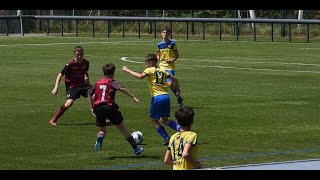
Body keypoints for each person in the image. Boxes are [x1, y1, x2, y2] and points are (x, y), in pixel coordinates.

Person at [122, 53, 181, 146]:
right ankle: (180, 129)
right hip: (166, 96)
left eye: (146, 62)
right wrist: (178, 90)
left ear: (150, 62)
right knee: (164, 120)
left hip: (157, 97)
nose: (145, 64)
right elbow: (175, 79)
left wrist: (127, 70)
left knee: (153, 120)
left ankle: (166, 138)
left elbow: (140, 76)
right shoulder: (163, 71)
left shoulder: (150, 70)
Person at [88, 63, 144, 155]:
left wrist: (92, 107)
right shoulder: (112, 82)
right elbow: (122, 88)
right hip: (109, 107)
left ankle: (100, 137)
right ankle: (136, 148)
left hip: (98, 108)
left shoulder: (98, 82)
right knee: (122, 129)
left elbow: (90, 94)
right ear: (113, 73)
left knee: (102, 130)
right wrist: (132, 96)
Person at [49, 46, 92, 126]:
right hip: (72, 86)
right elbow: (60, 75)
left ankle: (101, 116)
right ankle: (53, 119)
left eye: (81, 54)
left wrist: (88, 82)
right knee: (69, 103)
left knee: (95, 95)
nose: (80, 56)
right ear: (74, 54)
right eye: (78, 54)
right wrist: (56, 87)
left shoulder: (86, 63)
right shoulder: (70, 64)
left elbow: (85, 72)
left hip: (83, 85)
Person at [157, 27, 183, 107]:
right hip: (161, 66)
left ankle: (178, 96)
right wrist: (156, 60)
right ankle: (161, 102)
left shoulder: (172, 44)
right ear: (161, 34)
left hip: (170, 66)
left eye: (167, 32)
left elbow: (177, 55)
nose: (165, 34)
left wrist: (172, 60)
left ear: (169, 34)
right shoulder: (159, 44)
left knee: (170, 83)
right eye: (164, 32)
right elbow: (158, 55)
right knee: (160, 85)